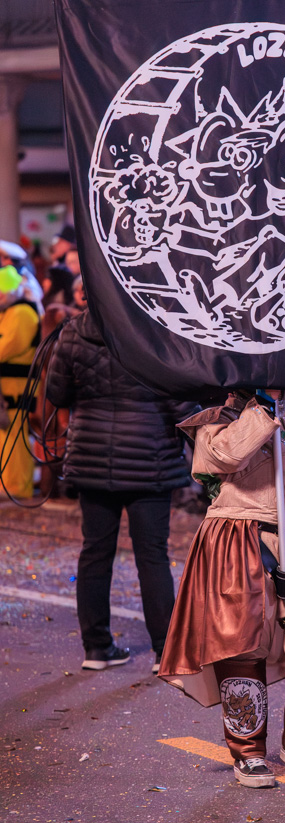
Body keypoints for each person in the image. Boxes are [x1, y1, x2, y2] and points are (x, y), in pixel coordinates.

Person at [158, 389, 285, 789]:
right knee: (240, 644)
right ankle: (248, 751)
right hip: (237, 541)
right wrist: (261, 408)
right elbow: (226, 458)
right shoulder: (213, 422)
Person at [46, 308, 194, 671]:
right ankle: (165, 651)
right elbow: (183, 403)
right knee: (152, 556)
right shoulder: (156, 328)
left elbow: (56, 393)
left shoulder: (73, 332)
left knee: (95, 552)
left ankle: (96, 648)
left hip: (92, 457)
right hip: (150, 459)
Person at [0, 266, 40, 500]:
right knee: (6, 436)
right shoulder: (8, 313)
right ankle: (9, 484)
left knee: (14, 435)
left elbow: (6, 347)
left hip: (17, 388)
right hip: (7, 389)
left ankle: (17, 487)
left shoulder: (22, 313)